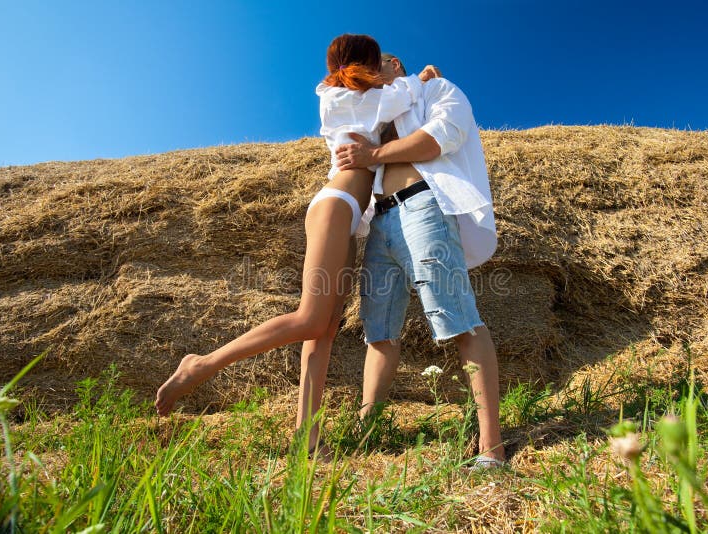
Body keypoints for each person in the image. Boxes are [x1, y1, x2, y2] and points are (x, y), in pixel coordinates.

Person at [155, 36, 433, 454]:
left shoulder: (371, 100)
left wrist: (403, 85)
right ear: (367, 62)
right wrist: (415, 77)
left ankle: (308, 439)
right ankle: (202, 364)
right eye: (382, 61)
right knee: (308, 318)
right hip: (335, 205)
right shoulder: (339, 96)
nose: (389, 67)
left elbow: (399, 128)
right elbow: (397, 99)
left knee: (324, 330)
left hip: (352, 219)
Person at [334, 53, 506, 466]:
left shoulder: (437, 90)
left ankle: (492, 446)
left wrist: (373, 156)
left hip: (423, 206)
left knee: (458, 319)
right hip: (382, 220)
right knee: (378, 332)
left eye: (374, 68)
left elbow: (438, 138)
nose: (369, 79)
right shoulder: (376, 114)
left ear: (392, 63)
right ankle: (365, 432)